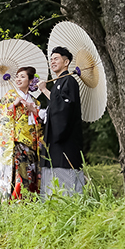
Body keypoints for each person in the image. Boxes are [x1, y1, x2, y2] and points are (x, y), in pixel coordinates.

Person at [38, 46, 86, 196]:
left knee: (67, 186)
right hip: (55, 142)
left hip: (65, 141)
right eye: (51, 59)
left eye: (56, 58)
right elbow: (53, 111)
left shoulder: (69, 81)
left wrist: (45, 91)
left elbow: (64, 109)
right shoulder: (59, 83)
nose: (52, 62)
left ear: (66, 62)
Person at [0, 66, 44, 200]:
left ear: (31, 80)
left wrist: (34, 111)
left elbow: (41, 124)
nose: (18, 79)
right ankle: (16, 202)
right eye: (17, 77)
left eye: (23, 77)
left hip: (32, 144)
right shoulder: (10, 95)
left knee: (31, 174)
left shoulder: (35, 102)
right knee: (20, 175)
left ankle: (29, 202)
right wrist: (13, 104)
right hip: (17, 142)